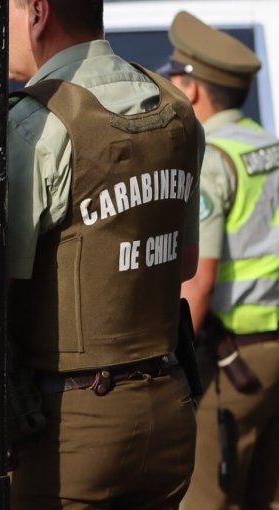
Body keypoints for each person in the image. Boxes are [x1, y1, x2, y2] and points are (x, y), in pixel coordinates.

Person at [0, 0, 204, 507]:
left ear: (38, 12)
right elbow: (183, 264)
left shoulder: (34, 129)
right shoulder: (175, 109)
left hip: (74, 432)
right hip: (169, 408)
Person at [161, 11, 279, 510]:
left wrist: (170, 362)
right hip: (271, 353)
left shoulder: (213, 159)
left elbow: (199, 284)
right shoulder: (267, 146)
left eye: (173, 78)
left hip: (233, 359)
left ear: (191, 90)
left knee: (207, 497)